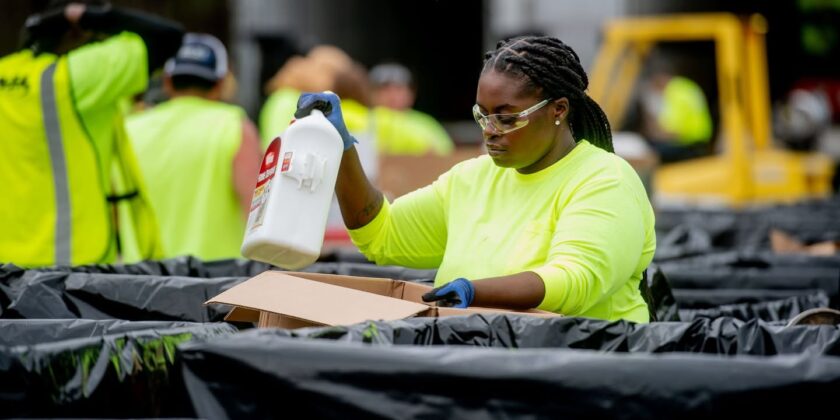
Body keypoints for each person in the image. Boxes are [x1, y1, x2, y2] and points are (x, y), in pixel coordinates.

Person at [295, 36, 656, 323]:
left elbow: (575, 280)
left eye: (506, 118)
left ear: (558, 110)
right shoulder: (472, 178)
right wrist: (341, 150)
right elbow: (381, 235)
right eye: (482, 116)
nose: (490, 131)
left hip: (586, 372)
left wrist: (475, 291)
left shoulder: (605, 180)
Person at [0, 1, 183, 267]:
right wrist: (93, 17)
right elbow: (168, 37)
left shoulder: (5, 71)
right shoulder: (76, 75)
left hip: (5, 272)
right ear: (77, 32)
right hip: (68, 271)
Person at [126, 34, 262, 260]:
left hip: (141, 282)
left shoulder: (130, 128)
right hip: (217, 283)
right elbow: (256, 215)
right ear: (221, 84)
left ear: (168, 81)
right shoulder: (235, 127)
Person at [369, 62, 454, 156]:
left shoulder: (427, 122)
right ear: (370, 93)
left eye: (399, 88)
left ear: (412, 93)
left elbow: (445, 155)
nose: (392, 95)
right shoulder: (364, 119)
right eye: (385, 89)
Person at [640, 67, 713, 163]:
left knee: (652, 154)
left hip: (689, 143)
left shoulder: (673, 92)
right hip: (702, 138)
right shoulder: (685, 86)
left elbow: (673, 131)